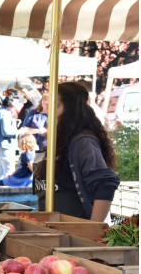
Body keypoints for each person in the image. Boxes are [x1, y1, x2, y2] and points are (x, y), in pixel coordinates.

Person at [33, 82, 120, 222]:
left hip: (75, 231)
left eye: (56, 106)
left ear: (71, 110)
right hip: (53, 229)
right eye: (49, 106)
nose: (49, 112)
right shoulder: (58, 141)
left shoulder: (83, 142)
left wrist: (92, 228)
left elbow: (106, 183)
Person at [0, 95, 19, 185]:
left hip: (0, 145)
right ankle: (5, 193)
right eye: (16, 102)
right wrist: (18, 133)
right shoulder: (5, 113)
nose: (18, 104)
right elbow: (6, 132)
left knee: (1, 172)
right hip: (5, 146)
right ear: (11, 103)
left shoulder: (0, 112)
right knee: (8, 171)